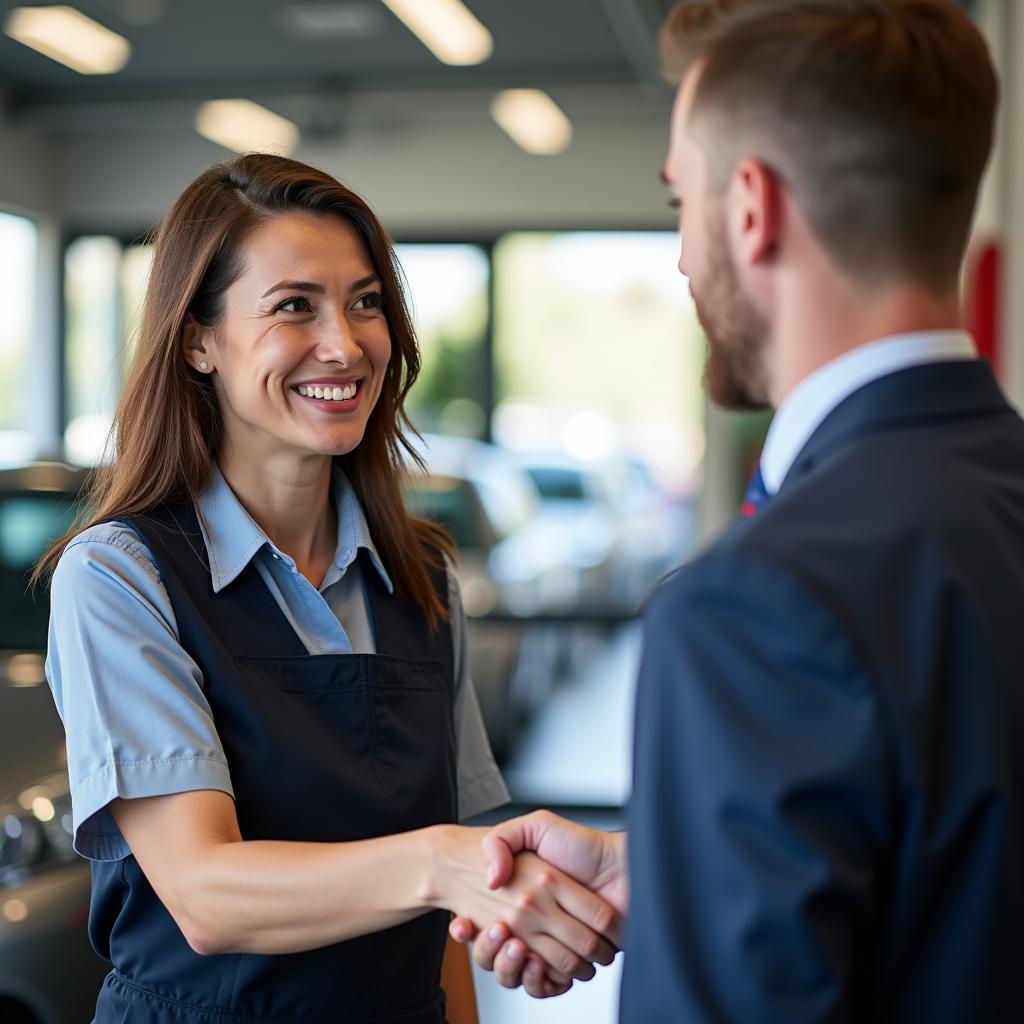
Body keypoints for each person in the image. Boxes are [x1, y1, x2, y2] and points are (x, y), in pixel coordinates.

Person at [452, 0, 1024, 1020]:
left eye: (681, 202)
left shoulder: (755, 603)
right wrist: (672, 868)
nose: (680, 256)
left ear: (750, 208)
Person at [37, 154, 621, 1024]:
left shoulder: (424, 579)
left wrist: (479, 892)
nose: (346, 344)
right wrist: (447, 863)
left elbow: (446, 923)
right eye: (293, 307)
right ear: (199, 340)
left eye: (365, 301)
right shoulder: (121, 576)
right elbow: (206, 894)